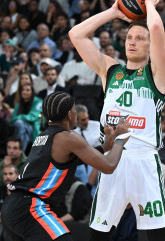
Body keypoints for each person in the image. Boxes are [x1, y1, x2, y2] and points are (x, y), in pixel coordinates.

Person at [69, 0, 165, 239]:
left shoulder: (157, 74)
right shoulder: (110, 70)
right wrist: (114, 11)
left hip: (144, 159)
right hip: (111, 159)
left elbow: (157, 29)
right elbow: (76, 34)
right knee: (99, 234)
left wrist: (149, 5)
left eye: (140, 38)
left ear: (151, 47)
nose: (133, 42)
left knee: (157, 236)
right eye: (129, 38)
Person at [1, 91, 131, 241]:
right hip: (30, 206)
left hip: (12, 206)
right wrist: (120, 140)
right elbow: (108, 166)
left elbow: (77, 159)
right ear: (69, 114)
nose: (75, 113)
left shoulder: (43, 137)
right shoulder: (68, 138)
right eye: (75, 110)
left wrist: (106, 146)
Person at [10, 83, 42, 153]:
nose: (24, 92)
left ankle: (17, 153)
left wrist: (18, 118)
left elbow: (32, 117)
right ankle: (20, 155)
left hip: (34, 131)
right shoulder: (18, 104)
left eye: (27, 90)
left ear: (32, 92)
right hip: (23, 132)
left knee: (20, 123)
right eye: (23, 90)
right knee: (25, 135)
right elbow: (12, 120)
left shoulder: (38, 102)